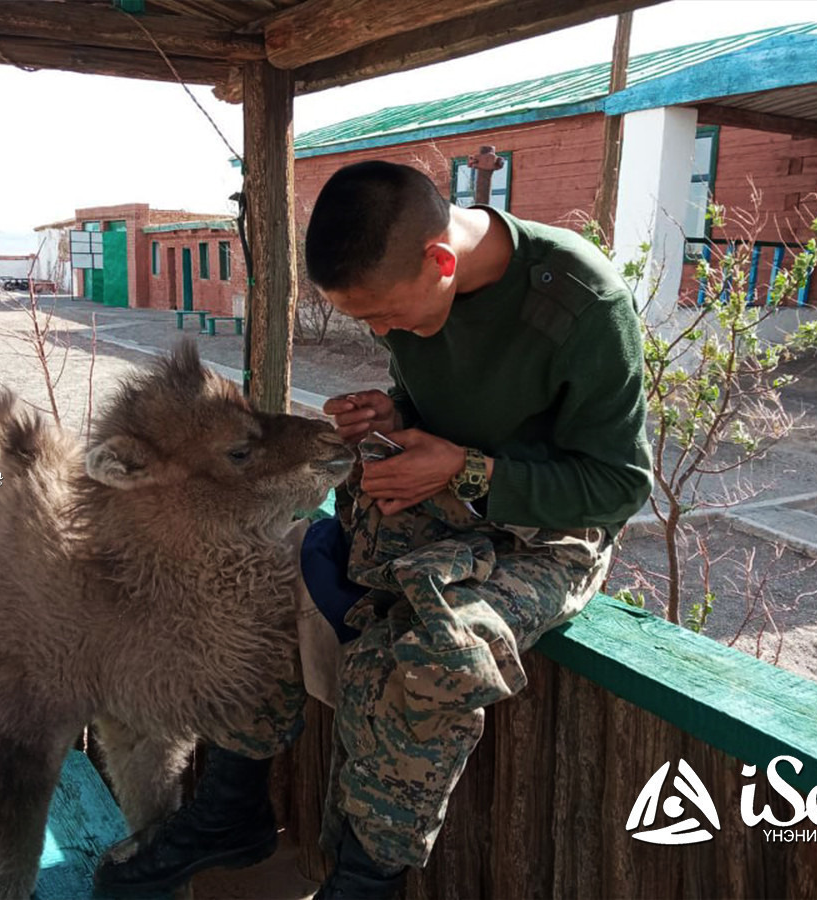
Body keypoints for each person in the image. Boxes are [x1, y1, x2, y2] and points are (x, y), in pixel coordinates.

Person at [94, 160, 652, 899]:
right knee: (278, 578)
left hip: (549, 533)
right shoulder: (418, 293)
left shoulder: (585, 306)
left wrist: (467, 470)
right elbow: (442, 398)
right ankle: (231, 809)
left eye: (388, 318)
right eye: (367, 322)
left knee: (436, 652)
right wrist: (395, 417)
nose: (385, 333)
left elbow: (619, 487)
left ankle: (366, 882)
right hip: (440, 497)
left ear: (441, 261)